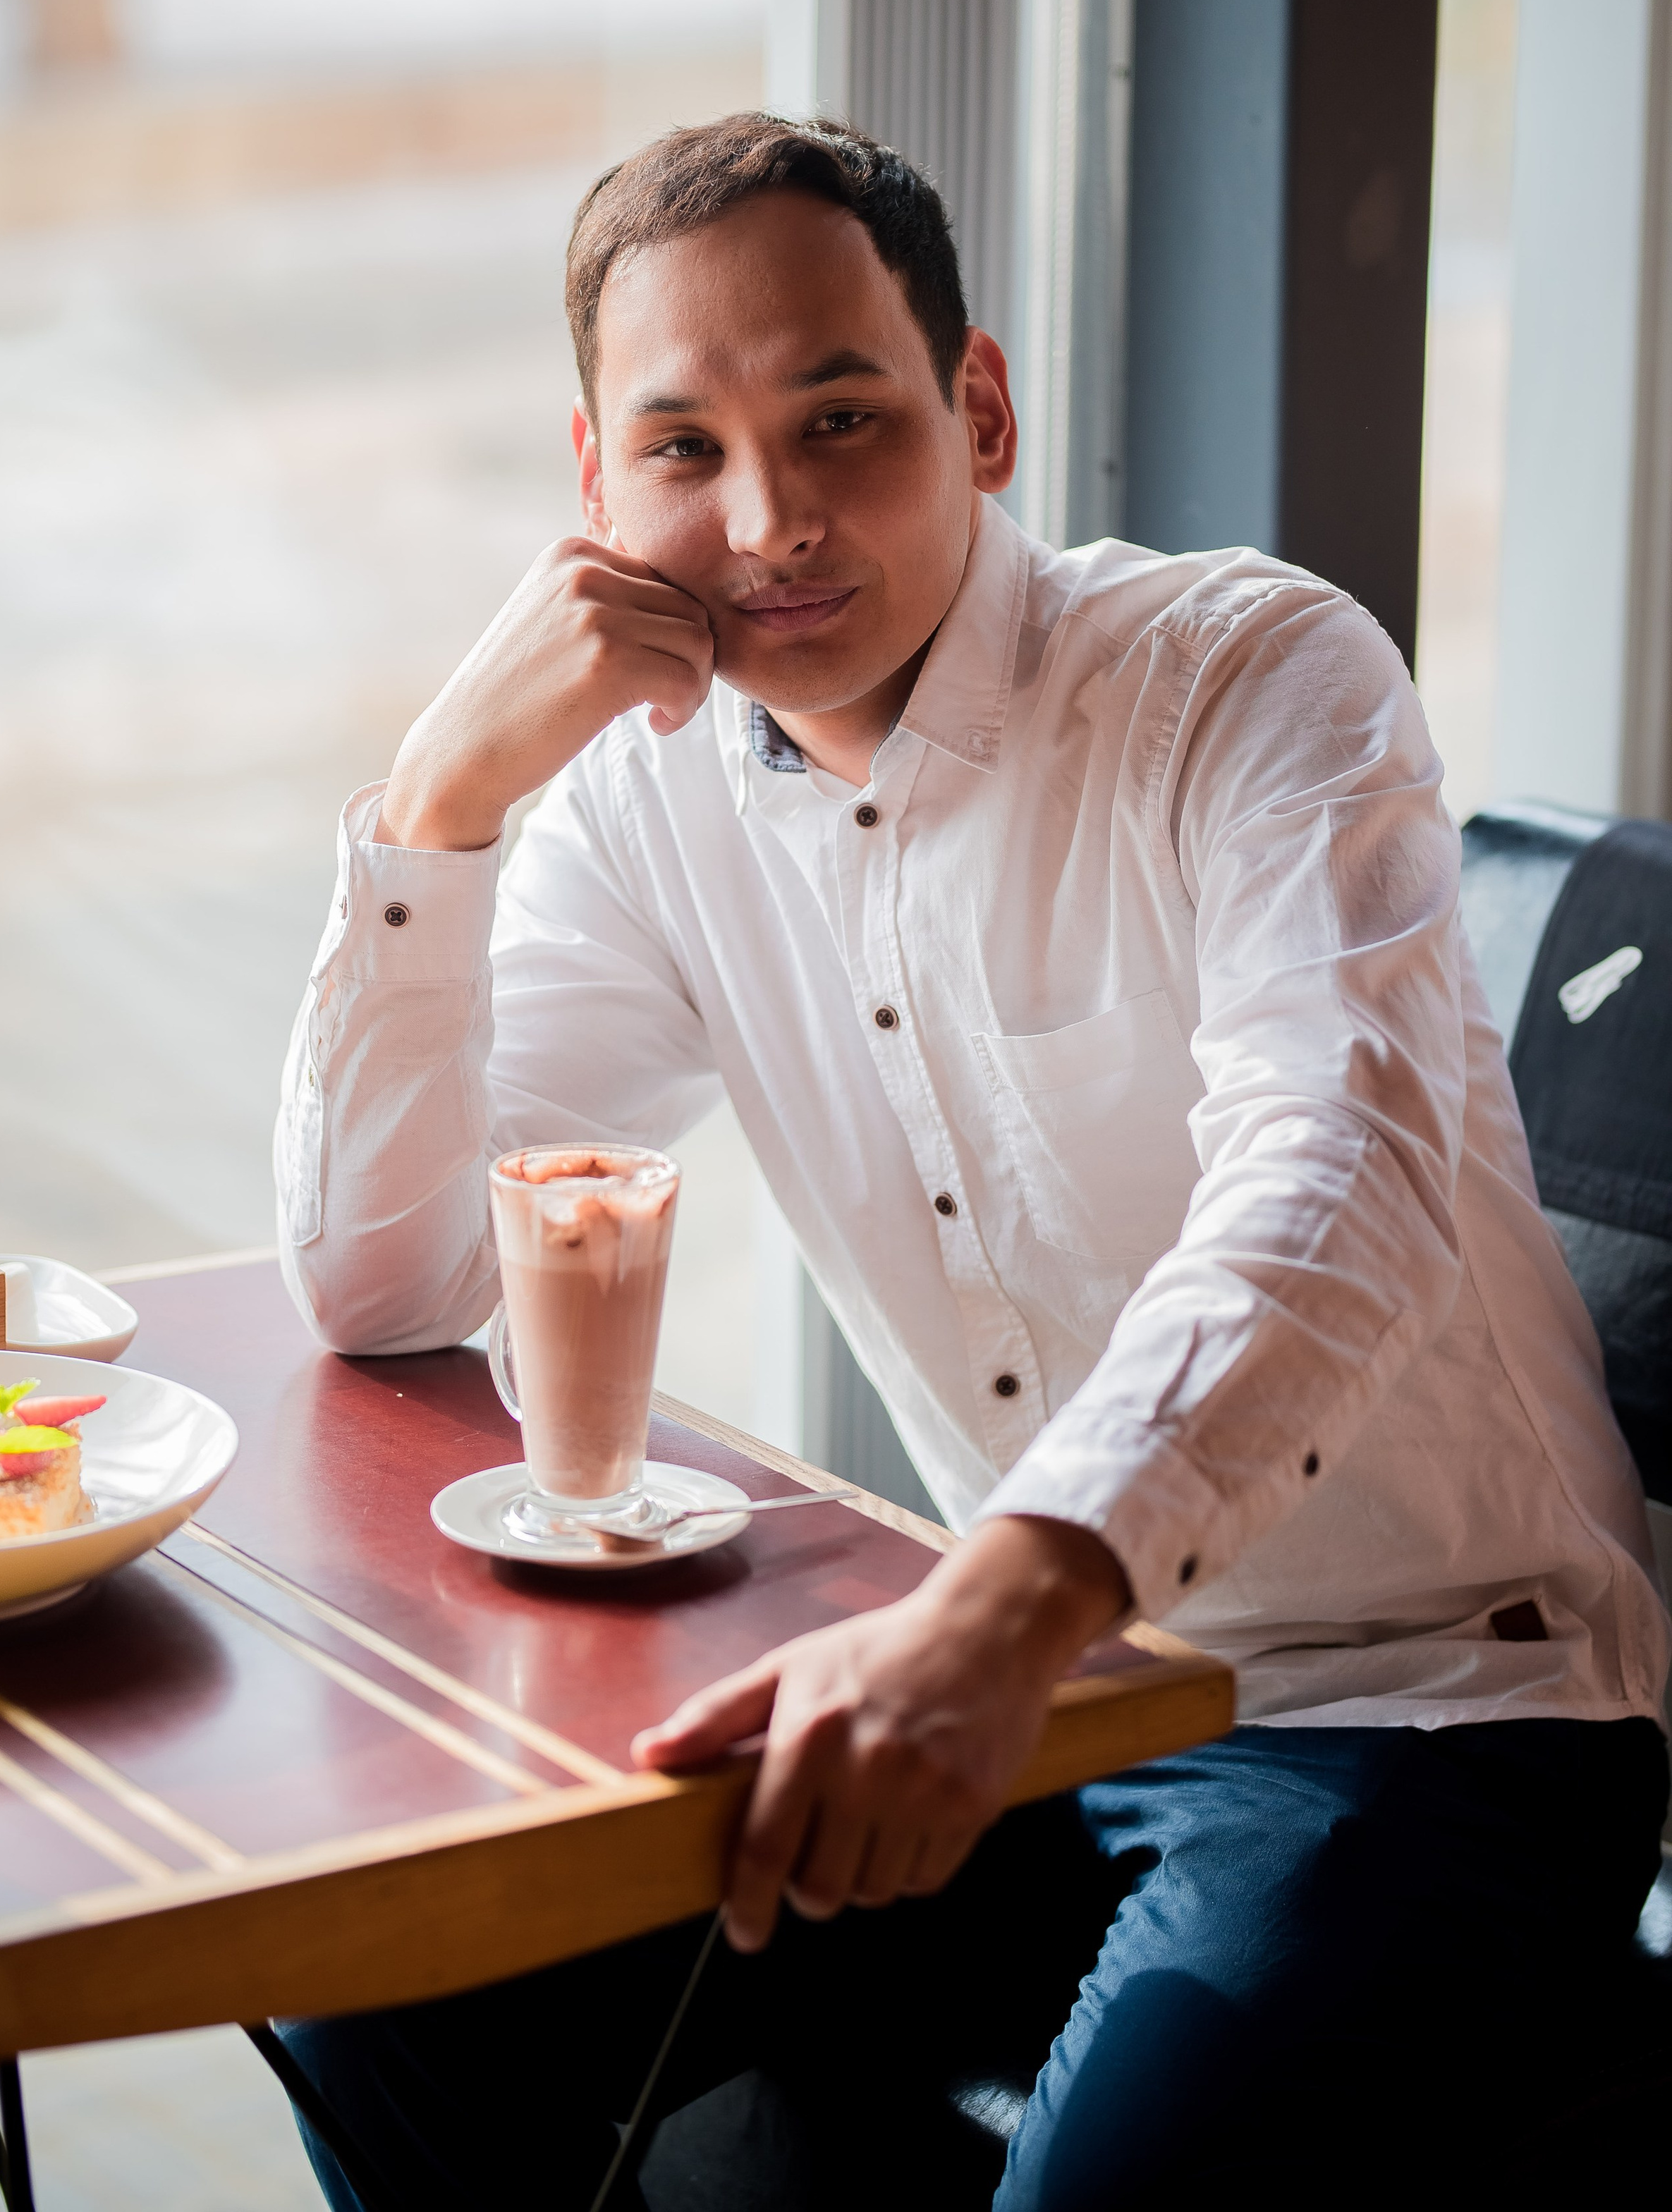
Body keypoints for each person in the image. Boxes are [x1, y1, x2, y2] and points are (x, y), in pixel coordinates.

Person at [271, 115, 1669, 2209]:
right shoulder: (647, 801)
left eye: (841, 416)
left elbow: (1335, 1179)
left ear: (981, 410)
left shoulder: (1252, 676)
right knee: (377, 1979)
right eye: (685, 449)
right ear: (596, 488)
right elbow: (382, 1286)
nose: (769, 520)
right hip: (1041, 1705)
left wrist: (997, 1612)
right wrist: (438, 797)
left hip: (1434, 1716)